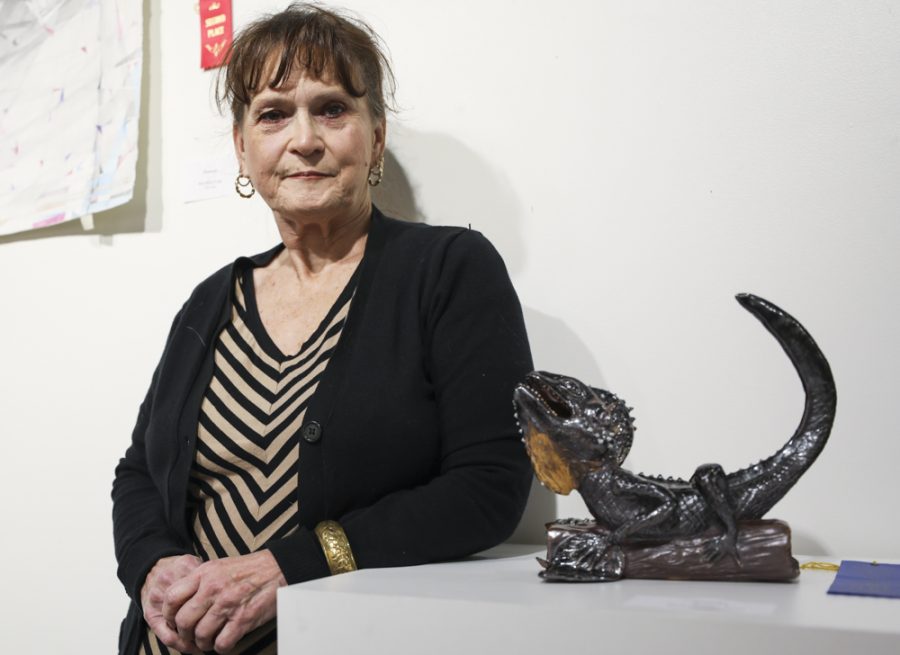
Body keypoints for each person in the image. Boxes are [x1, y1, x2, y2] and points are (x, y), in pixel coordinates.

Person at [111, 3, 533, 654]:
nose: (303, 138)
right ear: (243, 149)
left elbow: (489, 485)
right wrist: (151, 564)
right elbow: (139, 472)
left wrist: (292, 563)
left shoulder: (447, 270)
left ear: (377, 137)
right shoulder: (209, 303)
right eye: (273, 114)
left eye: (331, 108)